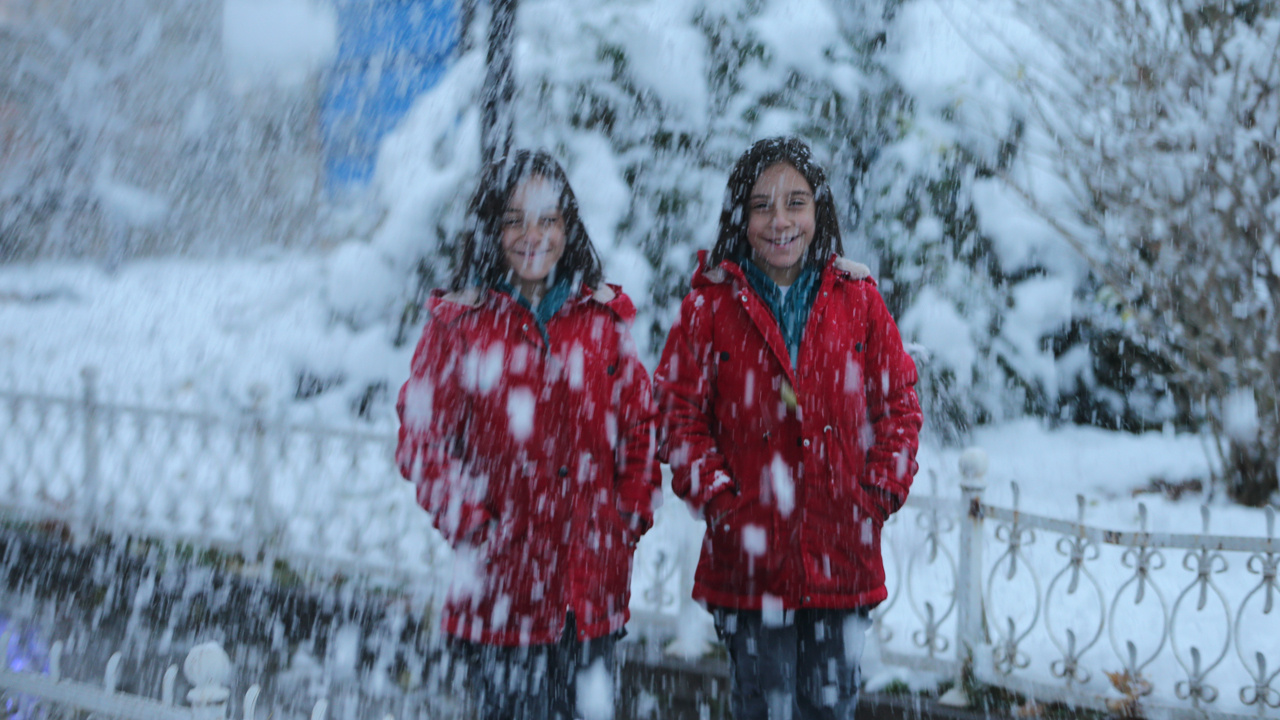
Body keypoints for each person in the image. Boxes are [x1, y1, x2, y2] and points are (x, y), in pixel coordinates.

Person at [654, 137, 922, 720]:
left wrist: (876, 494)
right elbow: (676, 415)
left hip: (840, 561)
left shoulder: (859, 301)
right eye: (762, 206)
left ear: (818, 212)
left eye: (795, 203)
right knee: (761, 707)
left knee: (830, 709)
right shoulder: (709, 309)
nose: (780, 221)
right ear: (740, 217)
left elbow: (899, 405)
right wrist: (722, 501)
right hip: (748, 567)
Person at [396, 149, 660, 720]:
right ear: (492, 229)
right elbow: (422, 440)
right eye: (514, 219)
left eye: (547, 219)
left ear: (569, 228)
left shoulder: (601, 322)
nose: (531, 235)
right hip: (502, 597)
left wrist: (626, 518)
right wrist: (474, 527)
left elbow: (641, 427)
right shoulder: (460, 326)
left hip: (588, 592)